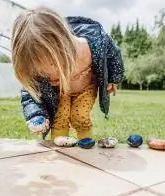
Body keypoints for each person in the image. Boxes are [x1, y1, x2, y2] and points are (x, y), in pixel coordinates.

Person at [11, 6, 124, 140]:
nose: (49, 79)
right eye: (41, 73)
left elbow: (113, 54)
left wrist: (114, 77)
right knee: (60, 118)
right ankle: (59, 147)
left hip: (86, 87)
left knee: (80, 116)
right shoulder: (40, 70)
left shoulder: (97, 44)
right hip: (62, 91)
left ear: (65, 48)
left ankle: (85, 144)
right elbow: (30, 92)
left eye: (53, 68)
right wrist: (35, 114)